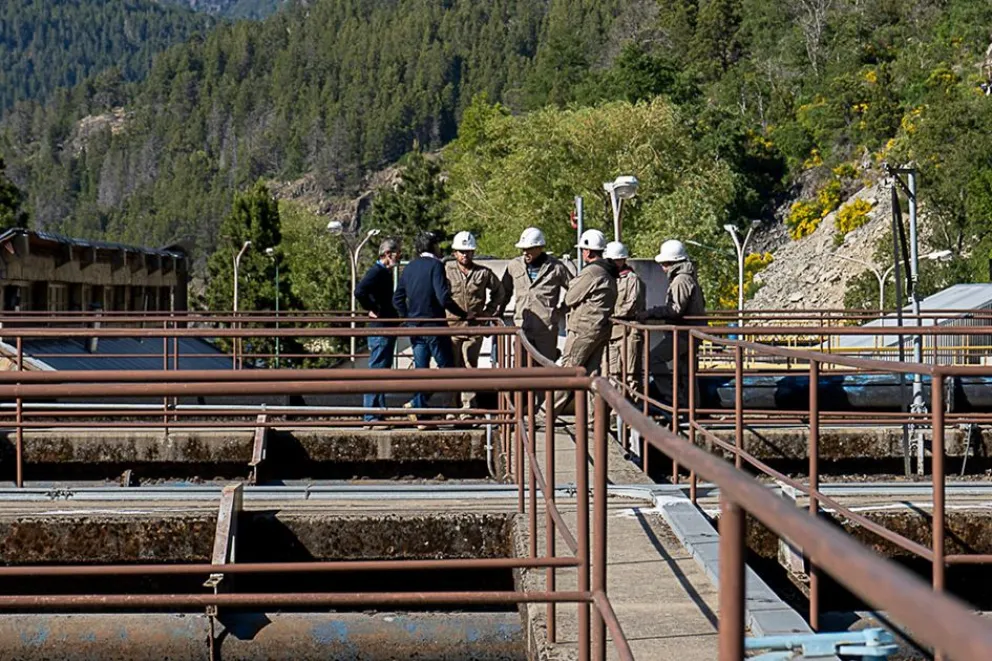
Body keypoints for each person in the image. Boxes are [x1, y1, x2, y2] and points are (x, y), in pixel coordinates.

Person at [393, 231, 469, 418]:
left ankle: (419, 412)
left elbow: (398, 298)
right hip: (434, 325)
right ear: (433, 246)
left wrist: (408, 317)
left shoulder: (409, 267)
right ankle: (428, 407)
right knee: (447, 368)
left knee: (421, 370)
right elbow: (443, 297)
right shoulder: (436, 266)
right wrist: (464, 314)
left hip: (415, 327)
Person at [553, 229, 618, 414]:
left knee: (568, 372)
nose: (582, 253)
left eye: (583, 249)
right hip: (600, 328)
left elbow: (570, 297)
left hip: (583, 329)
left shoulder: (591, 272)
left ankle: (545, 415)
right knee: (592, 375)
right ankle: (594, 418)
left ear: (588, 251)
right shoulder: (609, 272)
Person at [636, 239, 706, 409]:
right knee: (686, 372)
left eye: (664, 263)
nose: (662, 267)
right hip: (690, 332)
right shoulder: (688, 277)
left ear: (672, 262)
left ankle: (674, 400)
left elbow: (675, 310)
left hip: (683, 333)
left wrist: (650, 313)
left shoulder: (681, 280)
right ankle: (690, 407)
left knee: (654, 359)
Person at [445, 231, 508, 412]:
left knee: (469, 367)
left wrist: (487, 313)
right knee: (451, 368)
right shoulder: (446, 271)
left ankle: (468, 407)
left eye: (469, 251)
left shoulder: (483, 273)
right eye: (461, 251)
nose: (465, 255)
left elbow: (499, 292)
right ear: (455, 252)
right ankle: (451, 407)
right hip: (451, 327)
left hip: (474, 329)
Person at [500, 227, 572, 361]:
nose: (525, 253)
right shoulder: (513, 266)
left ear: (540, 247)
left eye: (529, 249)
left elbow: (575, 290)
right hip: (521, 328)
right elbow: (504, 292)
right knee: (521, 366)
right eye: (523, 249)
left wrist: (561, 310)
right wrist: (498, 312)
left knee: (546, 368)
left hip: (546, 329)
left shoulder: (556, 267)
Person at [354, 237, 402, 423]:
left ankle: (378, 411)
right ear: (388, 254)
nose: (399, 256)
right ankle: (371, 414)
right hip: (381, 328)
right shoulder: (377, 272)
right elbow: (359, 291)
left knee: (382, 369)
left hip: (385, 327)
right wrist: (374, 309)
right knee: (377, 369)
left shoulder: (382, 272)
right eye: (397, 253)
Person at [604, 241, 645, 396]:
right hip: (612, 332)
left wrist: (609, 313)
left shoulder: (632, 279)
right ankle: (616, 413)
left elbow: (631, 304)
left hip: (629, 332)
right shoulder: (608, 278)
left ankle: (634, 410)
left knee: (631, 374)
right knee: (613, 374)